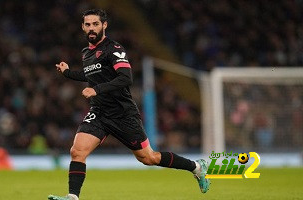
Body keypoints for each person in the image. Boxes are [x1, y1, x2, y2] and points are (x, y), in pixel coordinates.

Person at [48, 9, 210, 200]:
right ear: (83, 27)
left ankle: (197, 167)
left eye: (95, 24)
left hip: (123, 114)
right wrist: (68, 73)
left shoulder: (114, 49)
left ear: (104, 25)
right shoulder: (86, 53)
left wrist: (97, 89)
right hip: (99, 112)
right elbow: (90, 74)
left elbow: (126, 78)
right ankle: (72, 197)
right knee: (77, 151)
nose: (91, 28)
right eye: (88, 25)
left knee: (149, 158)